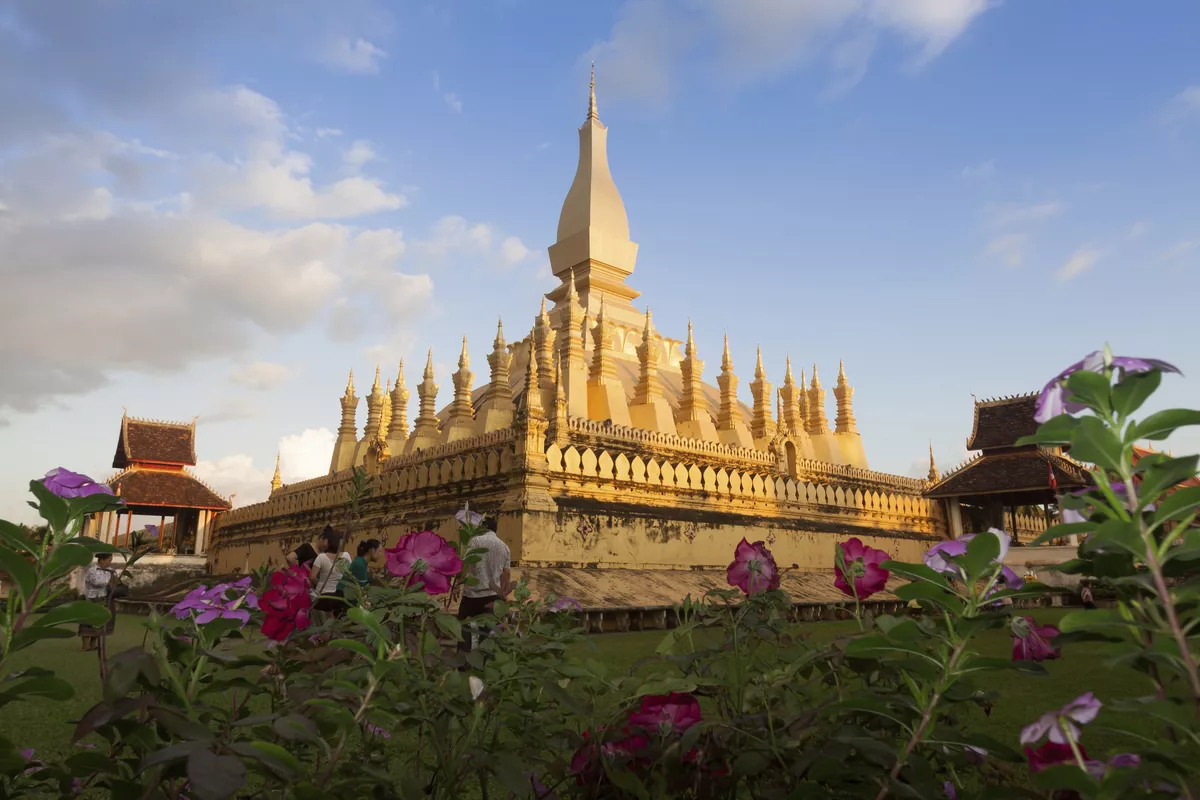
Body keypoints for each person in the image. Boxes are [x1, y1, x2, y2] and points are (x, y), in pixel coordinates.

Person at [457, 516, 515, 653]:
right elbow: (506, 574)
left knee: (463, 630)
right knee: (487, 635)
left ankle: (463, 660)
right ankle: (485, 661)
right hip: (492, 596)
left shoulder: (475, 541)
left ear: (484, 527)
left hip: (472, 595)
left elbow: (466, 565)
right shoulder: (504, 547)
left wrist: (457, 585)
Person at [310, 527, 351, 617]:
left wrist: (319, 583)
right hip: (340, 596)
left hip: (323, 597)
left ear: (328, 543)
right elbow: (349, 575)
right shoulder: (346, 556)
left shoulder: (321, 557)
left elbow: (312, 577)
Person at [79, 553, 116, 651]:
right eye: (109, 560)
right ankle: (85, 645)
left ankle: (93, 644)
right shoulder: (92, 570)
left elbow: (114, 583)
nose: (110, 562)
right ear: (102, 560)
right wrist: (110, 581)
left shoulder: (110, 570)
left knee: (99, 622)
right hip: (91, 599)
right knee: (88, 622)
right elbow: (97, 582)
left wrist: (114, 579)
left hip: (104, 598)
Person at [338, 539, 382, 607]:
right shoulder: (360, 564)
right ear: (372, 550)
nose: (380, 554)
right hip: (343, 599)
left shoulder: (361, 561)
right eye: (379, 551)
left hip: (345, 596)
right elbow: (361, 588)